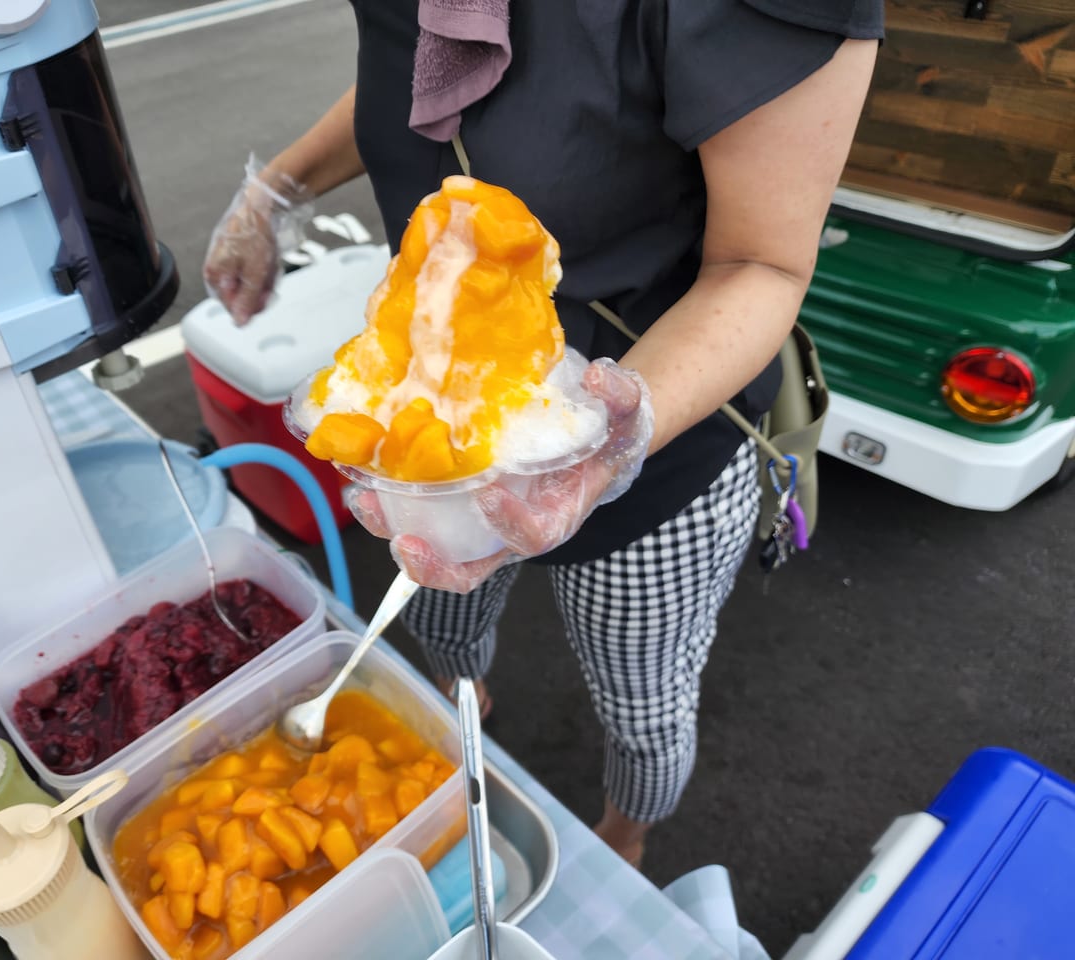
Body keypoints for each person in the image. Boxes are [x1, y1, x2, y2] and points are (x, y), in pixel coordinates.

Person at [204, 0, 882, 866]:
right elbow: (421, 78)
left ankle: (625, 832)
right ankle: (463, 689)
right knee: (443, 609)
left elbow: (763, 261)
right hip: (434, 427)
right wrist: (277, 191)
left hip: (657, 440)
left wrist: (612, 445)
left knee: (641, 701)